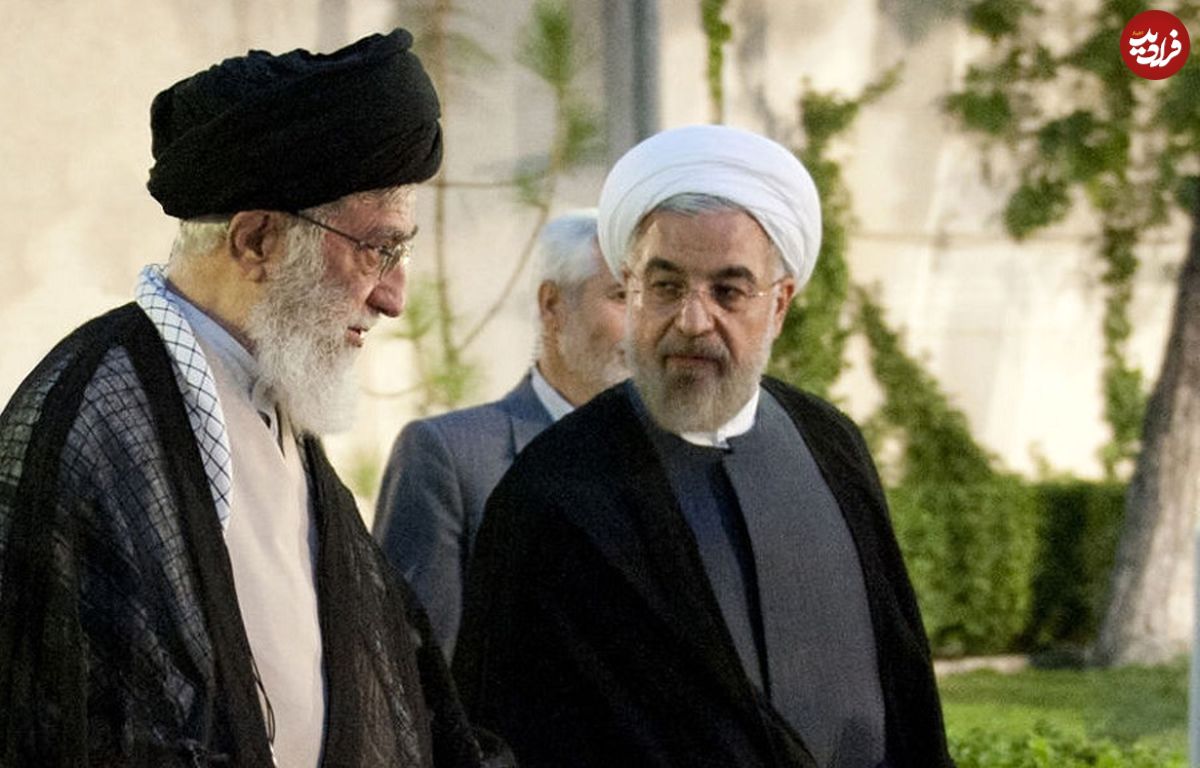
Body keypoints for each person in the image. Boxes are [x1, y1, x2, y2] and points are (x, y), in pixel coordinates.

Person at [0, 29, 510, 768]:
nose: (394, 297)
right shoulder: (97, 421)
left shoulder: (273, 394)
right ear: (257, 242)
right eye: (378, 250)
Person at [453, 125, 955, 768]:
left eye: (728, 291)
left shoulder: (830, 446)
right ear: (632, 287)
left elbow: (906, 694)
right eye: (666, 287)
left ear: (779, 305)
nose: (693, 322)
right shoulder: (553, 490)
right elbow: (495, 733)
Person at [373, 209, 628, 657]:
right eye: (623, 296)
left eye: (655, 296)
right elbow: (416, 671)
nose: (647, 324)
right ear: (552, 305)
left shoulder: (673, 461)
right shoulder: (451, 459)